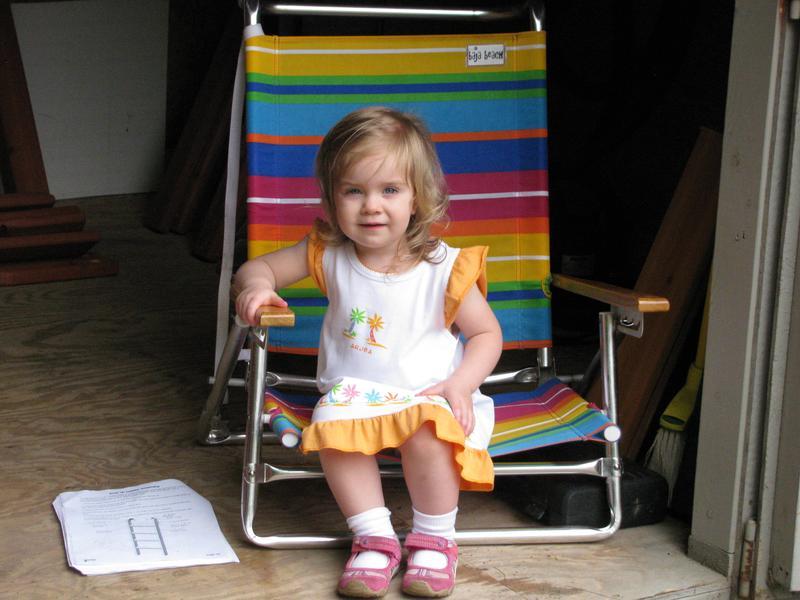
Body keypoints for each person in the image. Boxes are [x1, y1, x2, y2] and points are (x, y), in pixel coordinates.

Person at [235, 106, 502, 598]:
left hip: (429, 394)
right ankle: (374, 537)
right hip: (354, 395)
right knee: (335, 434)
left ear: (419, 197)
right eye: (353, 191)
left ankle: (435, 539)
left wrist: (462, 384)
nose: (371, 206)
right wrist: (256, 287)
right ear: (331, 198)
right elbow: (259, 269)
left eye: (390, 190)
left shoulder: (444, 268)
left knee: (429, 435)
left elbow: (487, 334)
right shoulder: (327, 253)